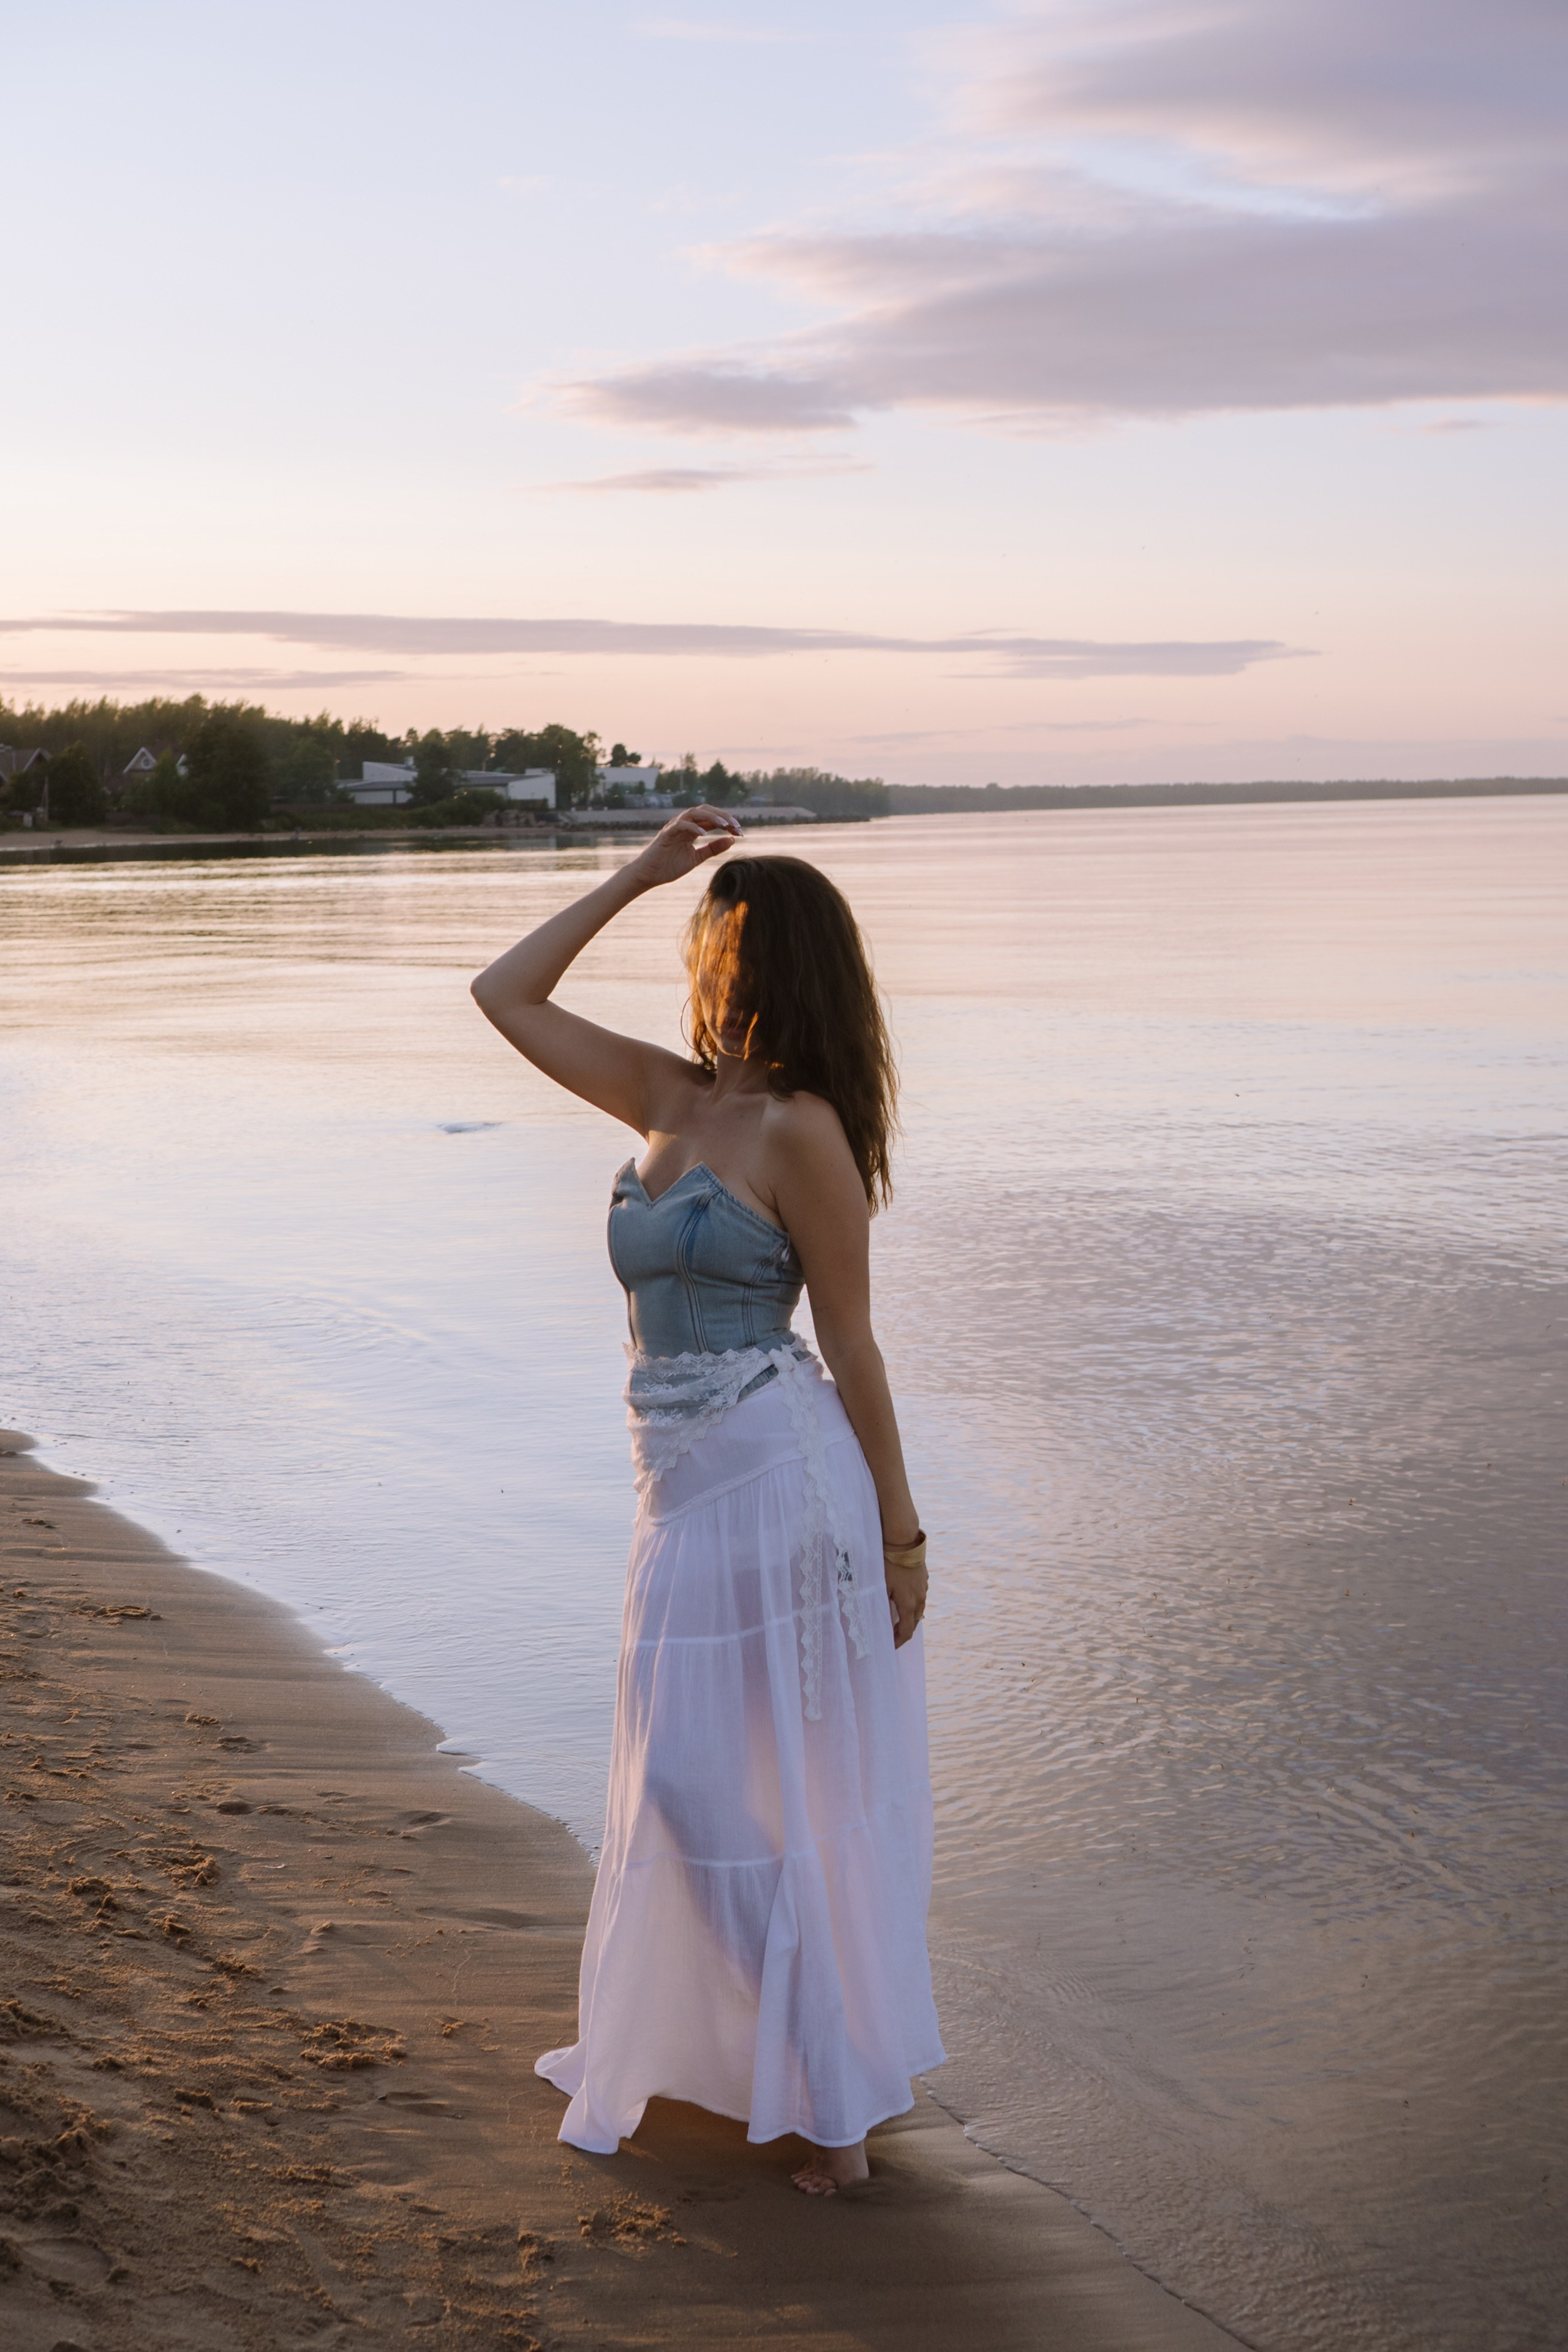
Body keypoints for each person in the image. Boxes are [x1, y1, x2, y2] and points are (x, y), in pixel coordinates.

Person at [470, 807, 944, 2196]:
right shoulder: (669, 1100)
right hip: (676, 1494)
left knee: (765, 1794)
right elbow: (503, 994)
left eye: (724, 936)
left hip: (781, 1482)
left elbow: (852, 1346)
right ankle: (795, 2068)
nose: (705, 959)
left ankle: (832, 2114)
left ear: (778, 962)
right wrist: (636, 871)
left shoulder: (802, 1131)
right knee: (687, 1785)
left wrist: (902, 1540)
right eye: (700, 936)